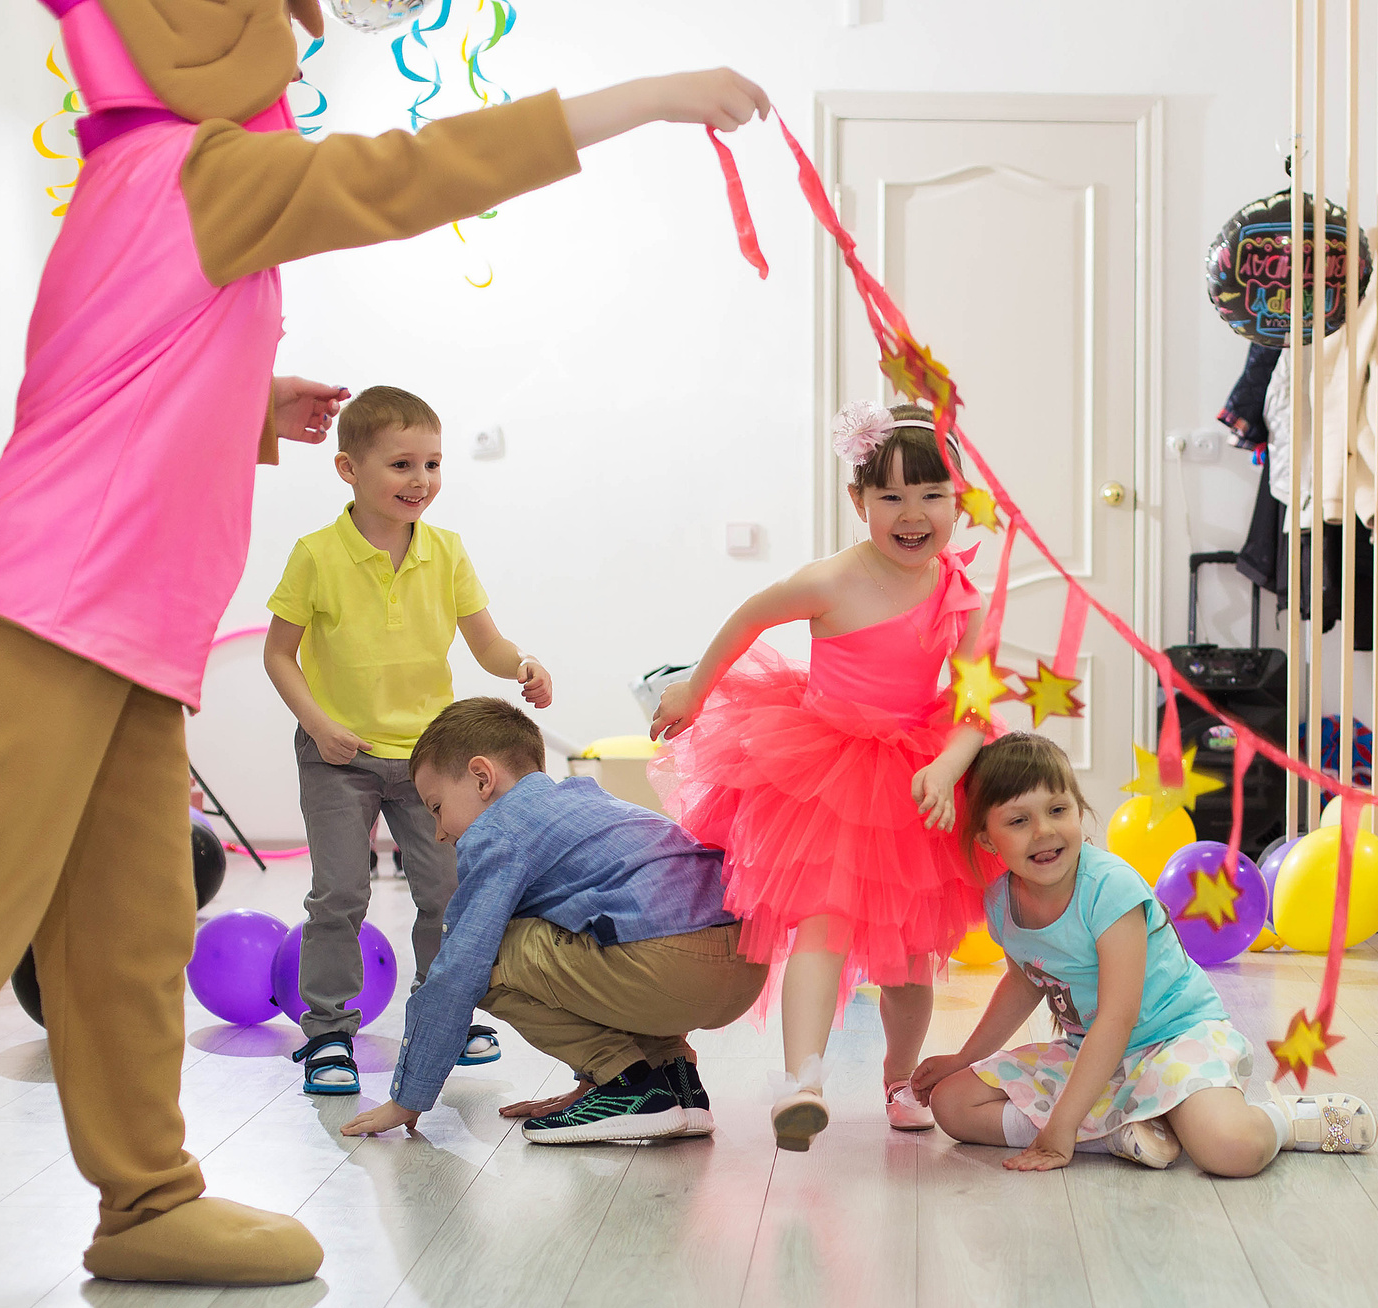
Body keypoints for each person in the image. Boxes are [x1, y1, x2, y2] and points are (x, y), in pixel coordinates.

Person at [0, 0, 770, 1308]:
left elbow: (100, 373)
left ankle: (148, 1198)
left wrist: (252, 399)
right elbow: (405, 178)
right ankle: (143, 1195)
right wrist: (648, 96)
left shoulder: (150, 182)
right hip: (46, 603)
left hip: (123, 629)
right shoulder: (199, 166)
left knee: (130, 931)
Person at [650, 402, 992, 1151]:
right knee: (821, 923)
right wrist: (695, 689)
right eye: (892, 497)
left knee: (909, 953)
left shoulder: (961, 596)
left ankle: (901, 1078)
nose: (913, 514)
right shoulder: (835, 579)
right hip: (827, 769)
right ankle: (800, 1080)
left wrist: (949, 764)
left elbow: (976, 705)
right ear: (858, 501)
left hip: (916, 775)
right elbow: (750, 616)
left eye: (933, 495)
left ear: (959, 500)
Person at [264, 385, 553, 1099]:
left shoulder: (447, 553)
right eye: (400, 464)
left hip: (433, 761)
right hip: (339, 757)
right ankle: (328, 1033)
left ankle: (444, 1013)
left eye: (431, 463)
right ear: (348, 470)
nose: (420, 480)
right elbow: (279, 654)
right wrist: (319, 724)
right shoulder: (315, 555)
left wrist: (518, 662)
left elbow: (484, 642)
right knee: (340, 892)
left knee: (446, 890)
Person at [908, 733, 1377, 1172]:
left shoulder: (1109, 888)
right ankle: (1120, 1133)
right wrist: (961, 1061)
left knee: (1230, 1149)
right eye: (1018, 820)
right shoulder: (1001, 904)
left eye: (1057, 810)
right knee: (952, 1104)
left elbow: (1118, 1016)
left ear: (1078, 810)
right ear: (987, 838)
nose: (1044, 831)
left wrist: (1062, 1127)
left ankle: (1289, 1121)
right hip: (1093, 1054)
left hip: (1174, 1038)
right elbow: (1022, 983)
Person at [339, 699, 766, 1147]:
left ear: (483, 778)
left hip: (668, 965)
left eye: (436, 807)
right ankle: (676, 1079)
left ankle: (628, 1085)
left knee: (484, 953)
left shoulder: (499, 830)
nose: (439, 833)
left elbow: (457, 971)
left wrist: (410, 1097)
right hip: (745, 964)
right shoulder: (588, 801)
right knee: (599, 928)